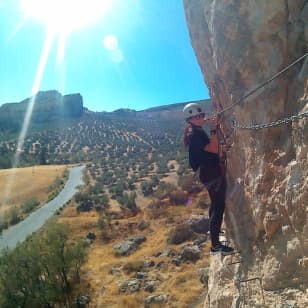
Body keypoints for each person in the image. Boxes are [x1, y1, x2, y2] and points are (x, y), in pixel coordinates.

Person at [183, 102, 234, 255]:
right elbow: (213, 148)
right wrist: (213, 128)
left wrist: (212, 125)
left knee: (215, 206)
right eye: (198, 116)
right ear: (190, 119)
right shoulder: (194, 134)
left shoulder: (196, 131)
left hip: (209, 172)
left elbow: (211, 148)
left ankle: (215, 238)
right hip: (210, 173)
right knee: (218, 207)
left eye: (202, 115)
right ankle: (216, 247)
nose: (201, 118)